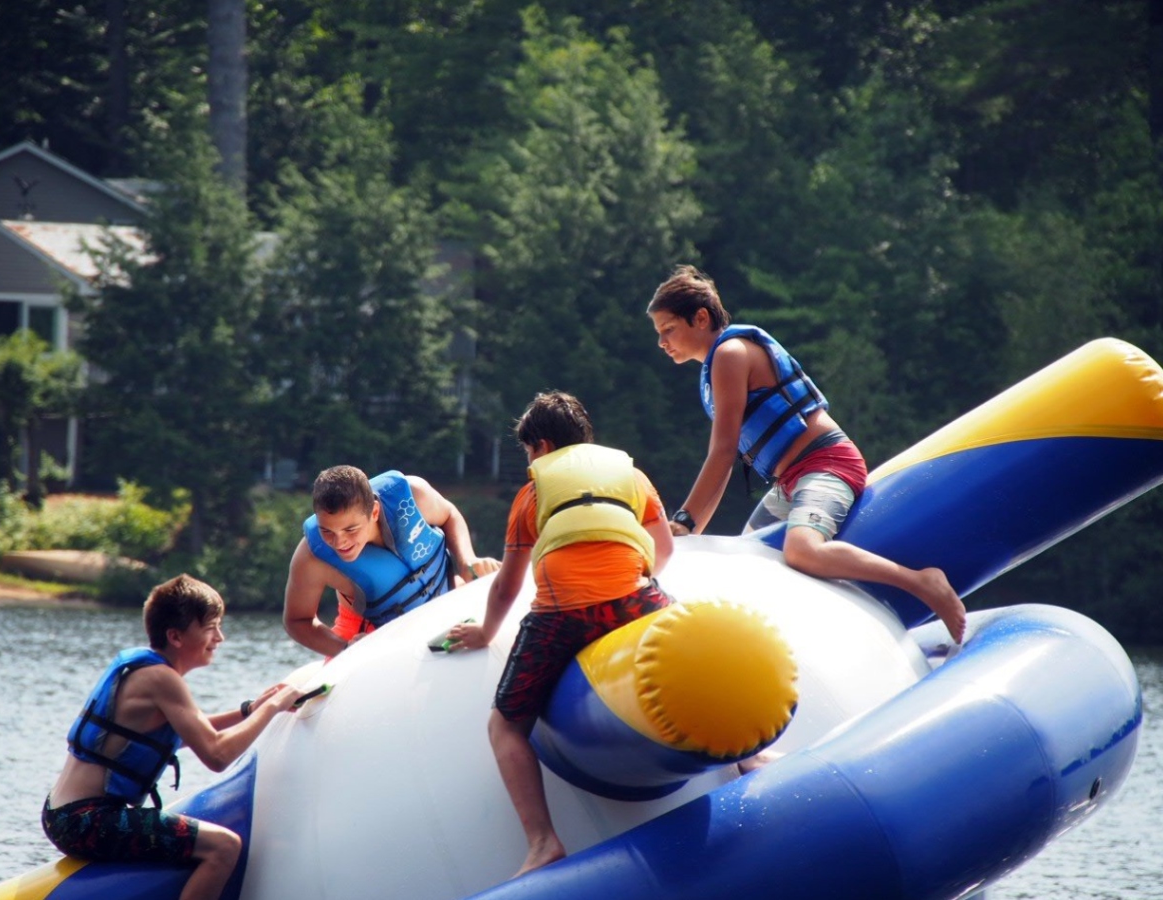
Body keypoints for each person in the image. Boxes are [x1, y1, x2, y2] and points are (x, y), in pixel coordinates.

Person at [647, 265, 966, 645]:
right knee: (750, 557)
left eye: (668, 330)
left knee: (802, 550)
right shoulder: (719, 363)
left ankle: (921, 581)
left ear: (700, 318)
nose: (662, 342)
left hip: (827, 462)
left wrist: (684, 522)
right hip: (791, 481)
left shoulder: (731, 353)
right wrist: (689, 528)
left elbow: (724, 451)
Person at [447, 391, 675, 877]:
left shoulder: (532, 493)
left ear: (542, 446)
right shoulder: (631, 476)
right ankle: (752, 756)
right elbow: (664, 549)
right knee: (700, 645)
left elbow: (508, 583)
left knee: (504, 725)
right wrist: (632, 582)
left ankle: (542, 841)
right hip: (634, 600)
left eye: (529, 451)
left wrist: (486, 632)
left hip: (561, 614)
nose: (529, 461)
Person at [42, 574, 302, 900]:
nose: (219, 637)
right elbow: (217, 756)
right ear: (176, 637)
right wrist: (276, 705)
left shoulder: (148, 672)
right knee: (222, 847)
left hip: (65, 814)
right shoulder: (162, 679)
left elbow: (186, 733)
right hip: (87, 821)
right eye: (210, 628)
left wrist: (249, 709)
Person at [283, 465, 501, 658]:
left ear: (374, 511)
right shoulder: (313, 557)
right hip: (374, 637)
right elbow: (297, 620)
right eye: (326, 531)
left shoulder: (414, 495)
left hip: (450, 599)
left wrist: (466, 559)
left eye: (351, 529)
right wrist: (346, 649)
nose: (339, 542)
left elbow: (449, 514)